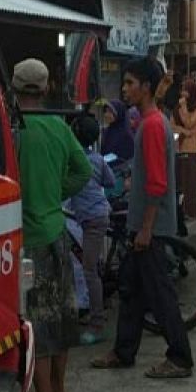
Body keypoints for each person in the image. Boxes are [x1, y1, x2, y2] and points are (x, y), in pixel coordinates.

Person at [91, 58, 194, 379]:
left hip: (150, 225)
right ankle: (124, 352)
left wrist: (146, 228)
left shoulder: (151, 125)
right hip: (142, 222)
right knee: (131, 289)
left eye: (130, 84)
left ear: (146, 87)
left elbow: (157, 183)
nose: (125, 90)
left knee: (159, 293)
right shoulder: (152, 120)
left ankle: (179, 357)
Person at [9, 59, 93, 392]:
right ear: (45, 90)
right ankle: (57, 390)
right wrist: (57, 192)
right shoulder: (59, 126)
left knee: (35, 323)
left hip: (29, 242)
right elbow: (84, 171)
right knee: (60, 315)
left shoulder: (14, 131)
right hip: (58, 232)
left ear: (13, 89)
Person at [68, 114, 116, 346]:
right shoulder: (97, 159)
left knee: (89, 272)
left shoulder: (72, 161)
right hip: (99, 214)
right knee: (90, 264)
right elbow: (110, 182)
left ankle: (97, 324)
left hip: (93, 220)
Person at [173, 79, 196, 220]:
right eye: (182, 89)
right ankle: (180, 211)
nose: (183, 93)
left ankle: (190, 212)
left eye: (186, 90)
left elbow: (189, 122)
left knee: (191, 184)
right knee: (180, 183)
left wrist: (184, 107)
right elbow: (172, 126)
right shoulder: (177, 108)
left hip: (193, 151)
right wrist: (186, 131)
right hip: (179, 149)